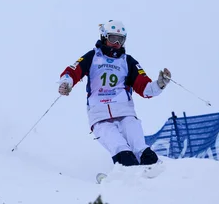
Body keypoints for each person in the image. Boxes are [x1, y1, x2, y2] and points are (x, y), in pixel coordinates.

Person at [57, 19, 171, 166]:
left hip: (125, 112)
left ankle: (158, 176)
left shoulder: (127, 61)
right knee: (122, 150)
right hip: (100, 115)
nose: (116, 43)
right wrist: (66, 83)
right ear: (104, 37)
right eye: (113, 38)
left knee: (141, 148)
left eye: (120, 39)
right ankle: (126, 179)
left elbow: (146, 89)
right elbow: (72, 71)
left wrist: (160, 83)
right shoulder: (93, 57)